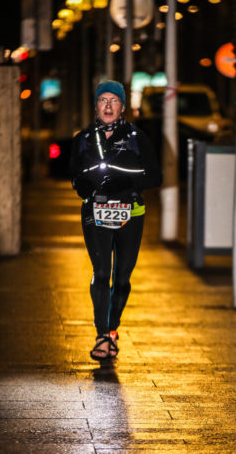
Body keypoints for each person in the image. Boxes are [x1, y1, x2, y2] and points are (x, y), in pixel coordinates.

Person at [69, 80, 162, 362]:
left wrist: (123, 180)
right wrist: (87, 188)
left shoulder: (137, 138)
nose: (108, 106)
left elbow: (155, 177)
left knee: (121, 277)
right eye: (103, 100)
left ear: (122, 106)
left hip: (130, 213)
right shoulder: (83, 139)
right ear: (96, 105)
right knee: (101, 272)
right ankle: (102, 335)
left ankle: (112, 329)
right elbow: (75, 175)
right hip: (95, 213)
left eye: (114, 101)